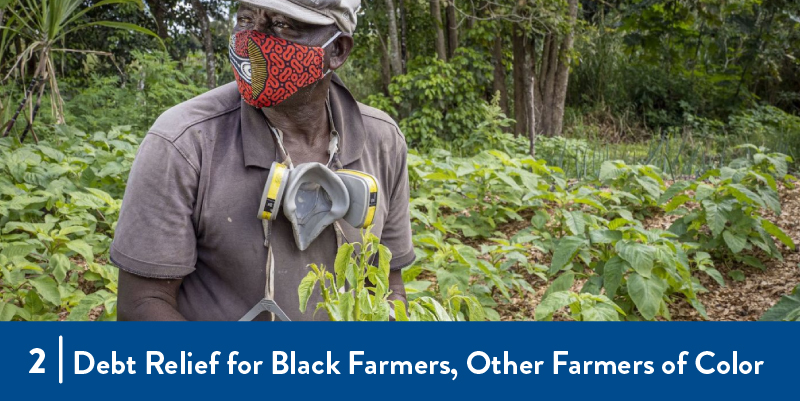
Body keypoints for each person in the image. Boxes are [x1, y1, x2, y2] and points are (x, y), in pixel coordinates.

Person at [111, 0, 414, 321]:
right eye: (245, 19)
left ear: (337, 50)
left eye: (282, 25)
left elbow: (387, 284)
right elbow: (143, 303)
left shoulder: (382, 140)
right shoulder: (184, 141)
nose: (252, 39)